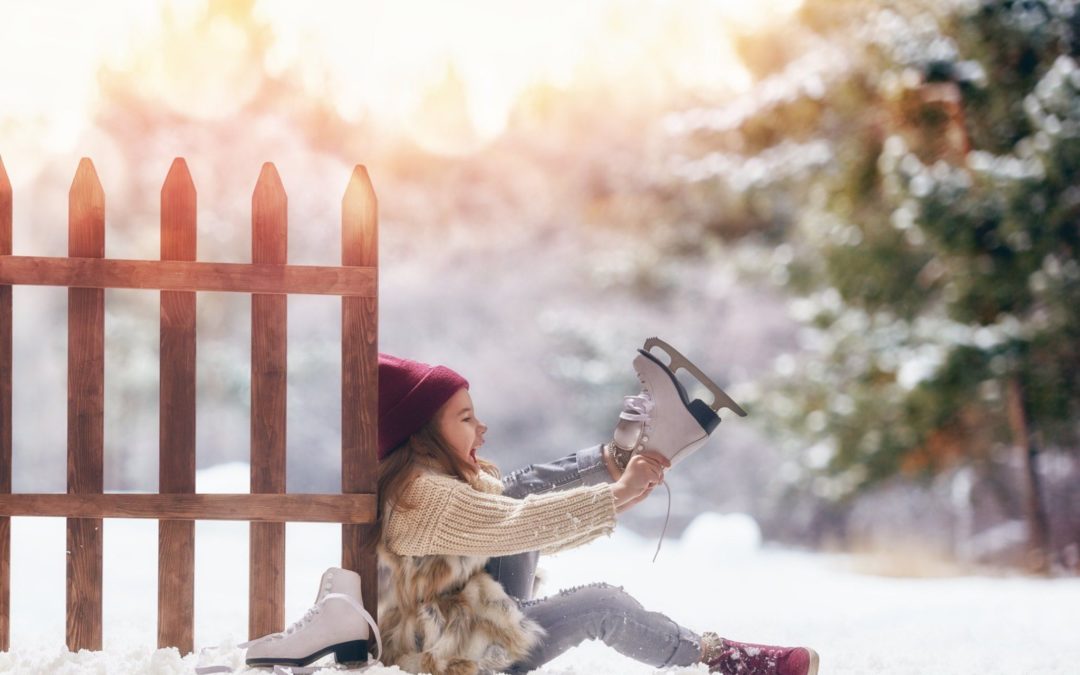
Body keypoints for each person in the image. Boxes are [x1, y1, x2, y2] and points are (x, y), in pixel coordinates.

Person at [372, 352, 819, 675]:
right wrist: (615, 496)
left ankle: (619, 455)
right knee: (602, 605)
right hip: (456, 653)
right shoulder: (422, 497)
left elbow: (522, 529)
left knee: (515, 491)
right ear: (423, 433)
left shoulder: (436, 484)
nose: (482, 428)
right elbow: (516, 526)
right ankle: (722, 657)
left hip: (466, 620)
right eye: (466, 418)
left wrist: (619, 494)